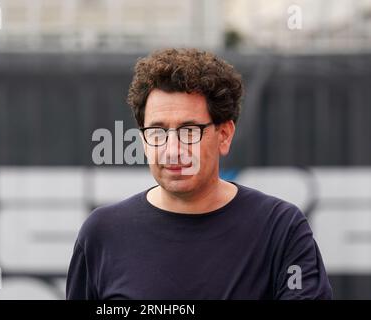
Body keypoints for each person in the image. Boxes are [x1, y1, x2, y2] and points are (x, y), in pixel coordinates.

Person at [66, 48, 333, 299]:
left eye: (189, 131)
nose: (172, 150)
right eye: (158, 132)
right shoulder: (102, 234)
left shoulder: (280, 229)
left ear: (225, 135)